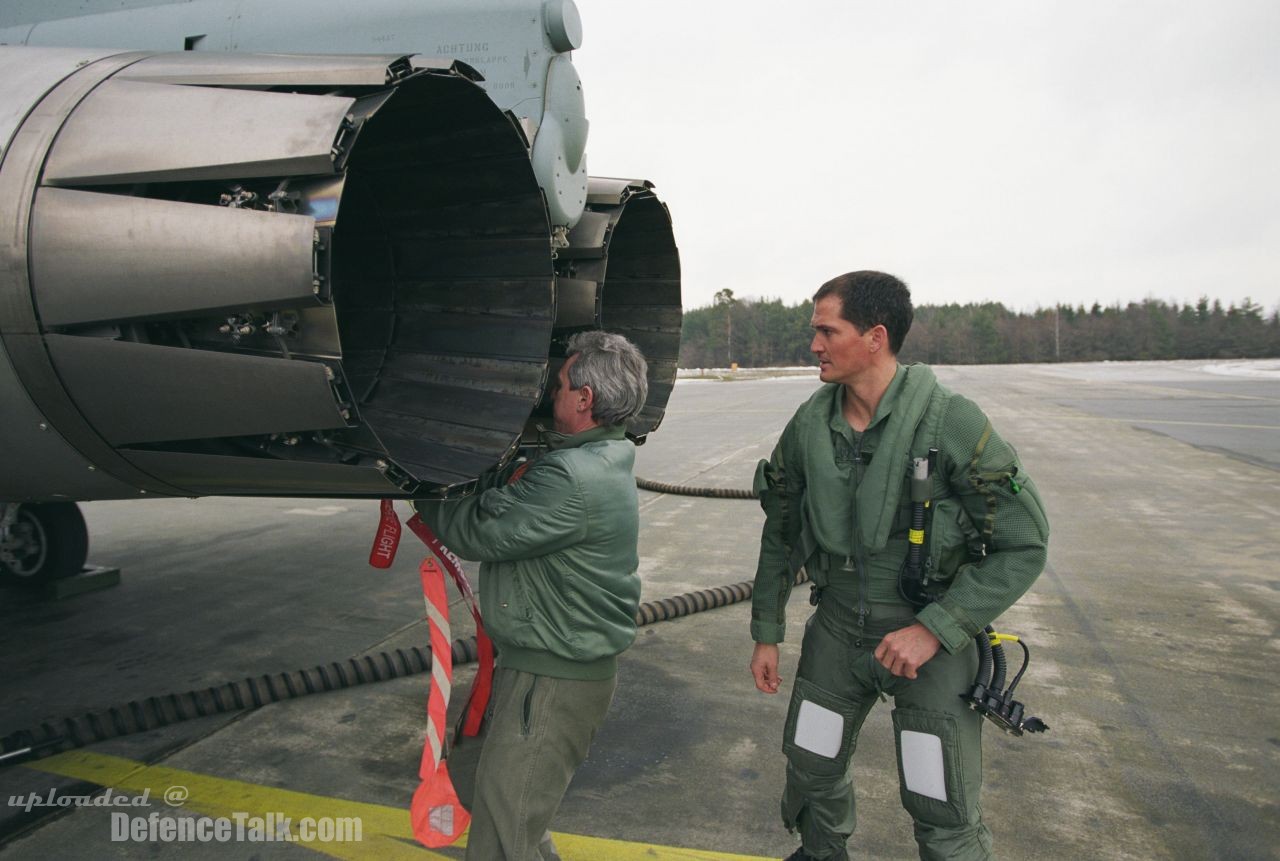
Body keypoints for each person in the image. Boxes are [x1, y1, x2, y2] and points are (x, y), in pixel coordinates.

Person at [748, 271, 1049, 861]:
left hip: (927, 639)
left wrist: (937, 628)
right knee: (811, 765)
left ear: (875, 337)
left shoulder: (950, 423)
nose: (813, 345)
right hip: (836, 631)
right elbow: (780, 530)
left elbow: (1026, 543)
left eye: (826, 331)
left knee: (938, 794)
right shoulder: (811, 425)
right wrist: (766, 630)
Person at [414, 330, 649, 861]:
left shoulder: (572, 477)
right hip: (540, 671)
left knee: (502, 838)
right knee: (494, 796)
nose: (552, 395)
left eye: (561, 385)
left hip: (550, 683)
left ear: (585, 399)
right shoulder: (600, 458)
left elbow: (477, 530)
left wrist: (416, 480)